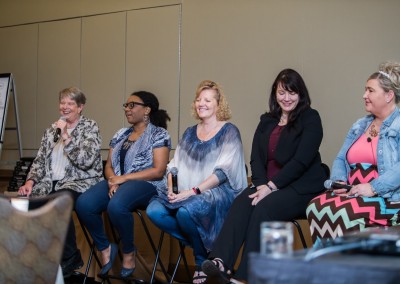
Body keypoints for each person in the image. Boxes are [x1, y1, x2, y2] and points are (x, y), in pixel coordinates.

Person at [201, 69, 327, 283]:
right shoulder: (267, 120)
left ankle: (244, 277)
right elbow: (256, 159)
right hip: (266, 186)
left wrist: (271, 187)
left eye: (292, 92)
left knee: (263, 208)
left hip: (300, 187)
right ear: (274, 94)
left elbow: (301, 161)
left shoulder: (310, 118)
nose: (286, 98)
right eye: (281, 92)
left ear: (301, 94)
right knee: (242, 202)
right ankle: (220, 262)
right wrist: (261, 185)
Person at [146, 80, 247, 284]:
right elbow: (174, 165)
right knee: (153, 211)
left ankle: (201, 261)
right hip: (187, 191)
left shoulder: (229, 131)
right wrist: (172, 188)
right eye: (199, 99)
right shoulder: (189, 132)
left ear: (219, 105)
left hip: (219, 192)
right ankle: (205, 249)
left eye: (208, 100)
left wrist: (192, 191)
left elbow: (223, 173)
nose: (202, 103)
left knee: (186, 212)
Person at [75, 91, 171, 279]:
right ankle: (105, 247)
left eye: (132, 105)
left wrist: (123, 179)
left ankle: (128, 251)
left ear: (147, 110)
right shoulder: (120, 134)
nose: (127, 109)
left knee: (116, 205)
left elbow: (158, 170)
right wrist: (112, 181)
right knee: (84, 204)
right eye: (126, 105)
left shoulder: (159, 134)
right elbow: (109, 166)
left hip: (148, 184)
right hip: (118, 183)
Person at [307, 61, 400, 246]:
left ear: (389, 95)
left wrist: (373, 188)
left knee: (347, 213)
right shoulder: (360, 125)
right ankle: (325, 270)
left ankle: (352, 271)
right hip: (354, 192)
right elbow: (341, 158)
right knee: (315, 207)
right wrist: (340, 181)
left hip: (387, 198)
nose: (364, 95)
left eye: (370, 90)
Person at [17, 86, 103, 278]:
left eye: (70, 103)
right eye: (62, 102)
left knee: (59, 203)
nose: (65, 107)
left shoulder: (89, 127)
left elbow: (86, 160)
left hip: (79, 182)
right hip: (50, 183)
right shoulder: (51, 130)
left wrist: (66, 136)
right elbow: (39, 160)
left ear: (80, 107)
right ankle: (39, 258)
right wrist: (30, 181)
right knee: (26, 203)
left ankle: (70, 258)